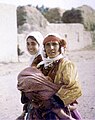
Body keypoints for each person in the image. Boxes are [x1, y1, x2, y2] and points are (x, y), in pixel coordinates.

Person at [37, 33, 82, 120]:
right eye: (48, 45)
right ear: (44, 49)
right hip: (42, 108)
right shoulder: (41, 66)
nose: (51, 48)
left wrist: (54, 101)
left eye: (54, 44)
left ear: (60, 47)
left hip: (62, 107)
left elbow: (73, 87)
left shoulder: (67, 65)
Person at [16, 31, 44, 120]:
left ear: (39, 44)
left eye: (33, 44)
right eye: (28, 44)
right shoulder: (33, 58)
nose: (30, 47)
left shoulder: (41, 60)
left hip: (41, 101)